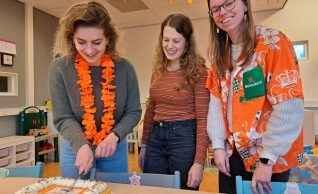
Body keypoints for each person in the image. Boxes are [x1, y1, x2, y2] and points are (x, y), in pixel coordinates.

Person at [205, 0, 304, 194]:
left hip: (269, 157)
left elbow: (289, 107)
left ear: (245, 5)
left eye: (229, 3)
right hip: (233, 154)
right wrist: (217, 146)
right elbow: (216, 104)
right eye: (215, 9)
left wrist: (267, 159)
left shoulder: (274, 43)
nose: (222, 12)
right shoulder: (220, 55)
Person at [48, 1, 142, 179]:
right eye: (81, 42)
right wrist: (81, 145)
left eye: (97, 42)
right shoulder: (59, 68)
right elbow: (63, 117)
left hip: (114, 147)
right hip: (75, 149)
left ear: (108, 39)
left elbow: (133, 112)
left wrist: (114, 136)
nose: (89, 50)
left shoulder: (125, 68)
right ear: (71, 39)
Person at [138, 13, 210, 190]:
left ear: (187, 41)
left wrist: (199, 162)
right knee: (153, 190)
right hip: (155, 138)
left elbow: (203, 119)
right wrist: (144, 145)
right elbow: (151, 110)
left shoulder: (198, 73)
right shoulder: (158, 71)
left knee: (184, 190)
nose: (169, 46)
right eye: (166, 39)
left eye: (176, 41)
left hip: (184, 139)